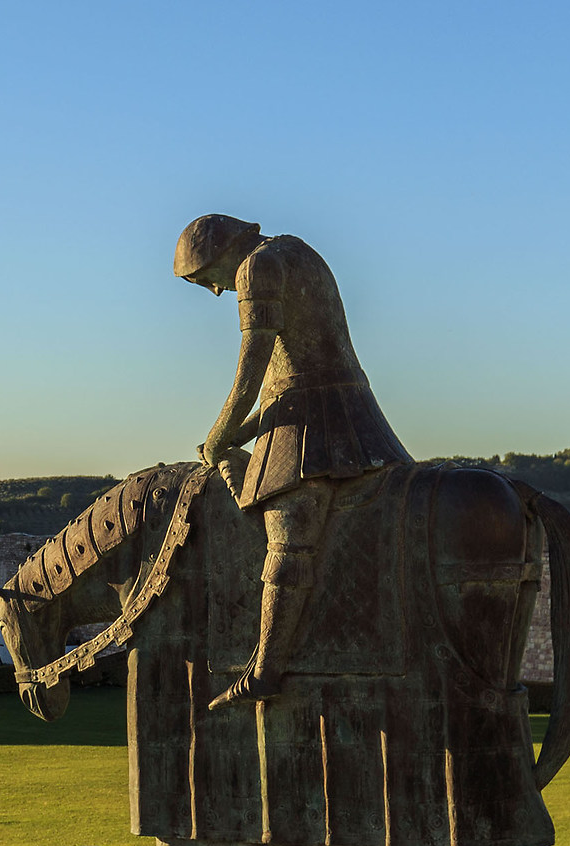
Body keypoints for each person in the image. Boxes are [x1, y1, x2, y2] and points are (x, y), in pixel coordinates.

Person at [176, 212, 410, 703]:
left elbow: (253, 366)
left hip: (317, 424)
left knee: (288, 546)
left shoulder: (255, 268)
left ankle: (265, 670)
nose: (214, 291)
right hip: (337, 406)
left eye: (205, 279)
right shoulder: (295, 249)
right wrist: (236, 435)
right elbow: (288, 380)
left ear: (221, 254)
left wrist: (218, 437)